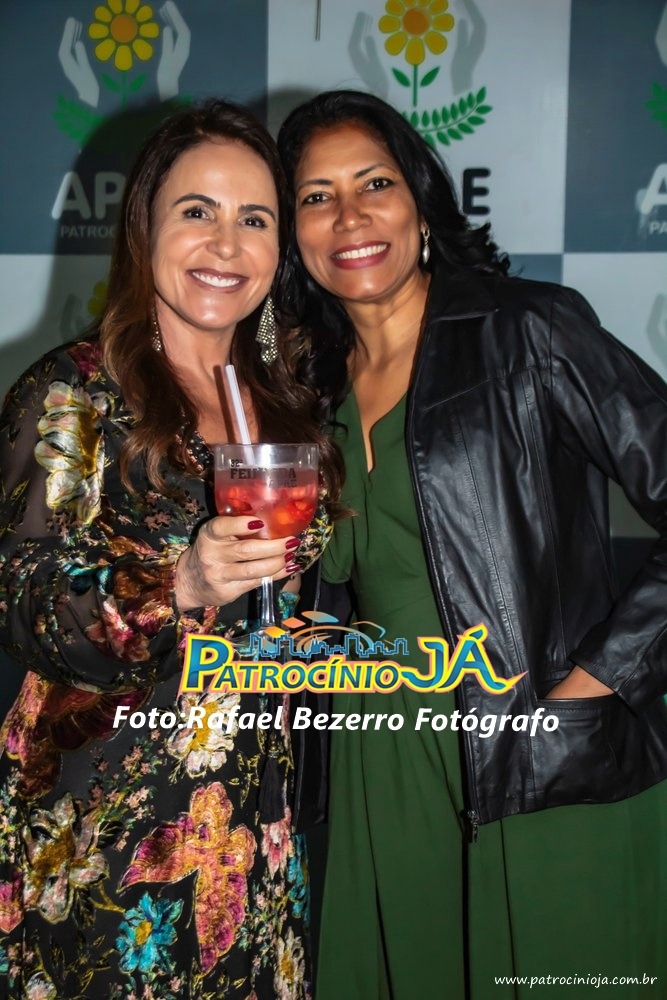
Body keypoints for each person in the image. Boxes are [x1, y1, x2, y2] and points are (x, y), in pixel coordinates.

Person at [276, 90, 667, 999]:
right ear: (294, 234)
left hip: (532, 758)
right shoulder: (306, 392)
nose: (349, 216)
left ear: (422, 201)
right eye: (316, 196)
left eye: (374, 184)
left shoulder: (527, 331)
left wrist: (592, 685)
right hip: (379, 768)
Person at [0, 98, 342, 999]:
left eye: (254, 219)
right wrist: (176, 582)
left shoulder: (289, 404)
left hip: (257, 833)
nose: (227, 243)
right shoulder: (74, 392)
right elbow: (22, 598)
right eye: (198, 211)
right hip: (107, 833)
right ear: (144, 226)